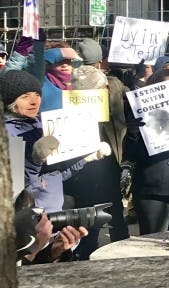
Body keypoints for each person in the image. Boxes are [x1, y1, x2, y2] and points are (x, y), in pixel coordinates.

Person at [3, 69, 108, 215]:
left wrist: (87, 158)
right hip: (28, 218)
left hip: (53, 213)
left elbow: (55, 176)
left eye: (37, 95)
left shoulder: (42, 125)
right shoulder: (8, 132)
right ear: (11, 101)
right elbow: (16, 187)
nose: (34, 102)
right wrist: (36, 159)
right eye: (25, 97)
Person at [62, 66, 129, 259]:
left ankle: (121, 253)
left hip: (109, 169)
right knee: (88, 222)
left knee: (115, 215)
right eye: (100, 88)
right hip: (82, 174)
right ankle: (86, 254)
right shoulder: (68, 107)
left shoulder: (115, 96)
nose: (105, 90)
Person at [124, 68, 169, 234]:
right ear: (156, 89)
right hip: (152, 191)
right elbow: (129, 155)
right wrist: (133, 133)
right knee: (153, 245)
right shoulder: (138, 115)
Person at [41, 45, 81, 111]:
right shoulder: (43, 81)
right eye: (58, 61)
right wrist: (59, 52)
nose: (64, 65)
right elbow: (34, 62)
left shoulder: (81, 80)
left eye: (68, 61)